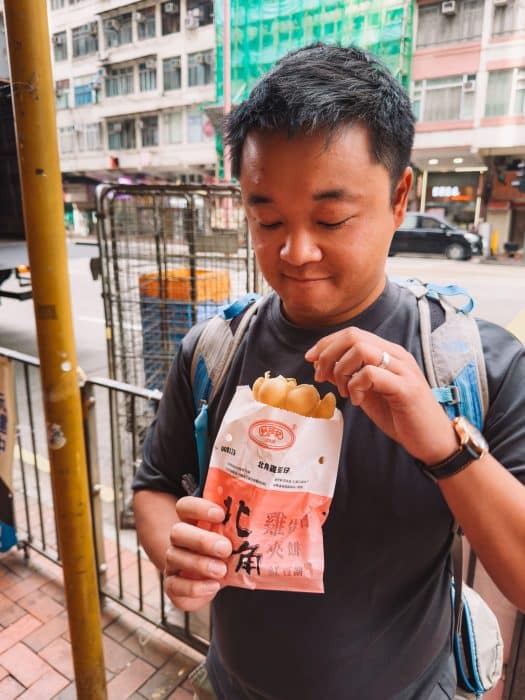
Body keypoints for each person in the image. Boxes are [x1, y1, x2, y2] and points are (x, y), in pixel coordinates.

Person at [133, 44, 525, 700]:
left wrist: (441, 446)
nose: (295, 251)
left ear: (399, 198)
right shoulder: (212, 349)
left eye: (330, 218)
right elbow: (152, 485)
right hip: (235, 685)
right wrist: (172, 546)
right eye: (267, 219)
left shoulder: (475, 364)